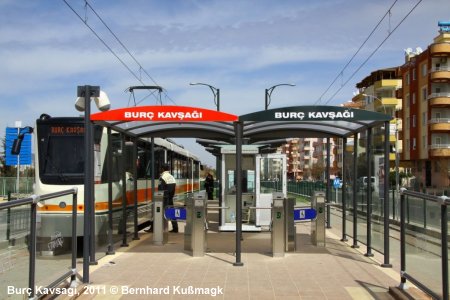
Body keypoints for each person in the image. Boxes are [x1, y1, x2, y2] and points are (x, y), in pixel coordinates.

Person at [158, 163, 178, 233]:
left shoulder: (162, 177)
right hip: (170, 197)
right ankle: (175, 228)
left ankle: (161, 229)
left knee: (159, 213)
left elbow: (161, 189)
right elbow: (173, 187)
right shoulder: (171, 177)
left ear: (162, 169)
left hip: (164, 198)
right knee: (172, 212)